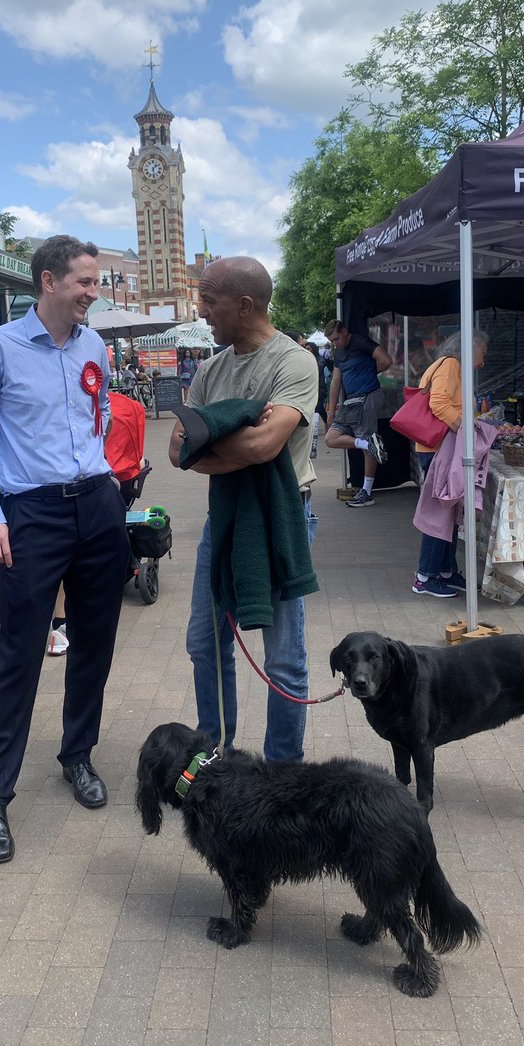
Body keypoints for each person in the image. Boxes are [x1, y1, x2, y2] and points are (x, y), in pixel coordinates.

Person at [0, 234, 130, 864]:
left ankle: (76, 757)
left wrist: (104, 479)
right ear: (48, 281)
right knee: (20, 651)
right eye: (85, 282)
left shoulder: (93, 346)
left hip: (97, 505)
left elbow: (100, 413)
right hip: (29, 513)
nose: (93, 293)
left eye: (96, 282)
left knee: (95, 640)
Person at [169, 256, 318, 763]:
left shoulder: (294, 362)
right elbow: (176, 451)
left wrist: (211, 444)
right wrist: (238, 438)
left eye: (210, 301)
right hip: (224, 520)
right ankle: (216, 751)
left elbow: (264, 448)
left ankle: (282, 770)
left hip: (282, 518)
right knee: (203, 643)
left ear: (245, 304)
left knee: (284, 661)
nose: (202, 310)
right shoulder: (212, 368)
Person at [411, 329, 489, 598]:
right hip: (439, 448)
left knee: (449, 510)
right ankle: (424, 577)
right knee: (440, 513)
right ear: (471, 348)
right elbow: (439, 403)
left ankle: (445, 570)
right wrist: (464, 430)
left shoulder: (445, 364)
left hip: (439, 447)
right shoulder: (451, 365)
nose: (482, 362)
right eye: (482, 354)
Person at [324, 319, 393, 507]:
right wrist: (330, 412)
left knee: (366, 437)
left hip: (368, 395)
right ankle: (367, 443)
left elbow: (386, 360)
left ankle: (367, 492)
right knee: (331, 438)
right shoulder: (338, 352)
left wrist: (368, 372)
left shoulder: (361, 342)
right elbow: (336, 381)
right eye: (332, 341)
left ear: (345, 331)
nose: (336, 343)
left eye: (337, 338)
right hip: (351, 401)